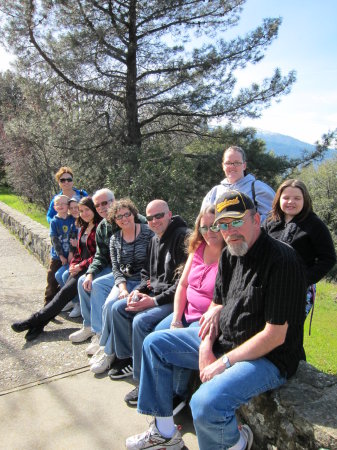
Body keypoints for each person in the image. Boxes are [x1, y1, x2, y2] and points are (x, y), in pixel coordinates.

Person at [126, 190, 307, 450]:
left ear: (256, 219)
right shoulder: (230, 253)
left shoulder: (282, 261)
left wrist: (223, 362)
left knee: (204, 403)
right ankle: (164, 432)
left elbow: (275, 336)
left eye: (236, 221)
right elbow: (216, 305)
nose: (229, 231)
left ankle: (233, 443)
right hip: (226, 340)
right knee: (154, 343)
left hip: (268, 357)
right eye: (222, 224)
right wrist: (205, 347)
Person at [109, 200, 188, 395]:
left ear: (169, 214)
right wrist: (140, 290)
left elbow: (181, 286)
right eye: (150, 217)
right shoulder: (154, 239)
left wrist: (153, 300)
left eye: (159, 216)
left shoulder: (183, 238)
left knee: (141, 321)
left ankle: (143, 378)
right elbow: (147, 273)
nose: (154, 221)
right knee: (118, 308)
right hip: (156, 293)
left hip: (173, 299)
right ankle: (129, 358)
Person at [11, 197, 101, 341]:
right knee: (62, 295)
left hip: (91, 268)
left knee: (63, 294)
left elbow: (99, 254)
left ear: (94, 210)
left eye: (87, 210)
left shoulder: (99, 227)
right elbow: (79, 251)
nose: (84, 213)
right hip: (79, 267)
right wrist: (74, 264)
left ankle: (33, 321)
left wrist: (80, 266)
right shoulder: (83, 226)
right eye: (81, 210)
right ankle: (38, 325)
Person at [90, 199, 154, 374]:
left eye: (127, 214)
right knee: (109, 305)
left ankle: (109, 352)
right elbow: (116, 269)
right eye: (119, 217)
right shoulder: (114, 240)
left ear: (134, 214)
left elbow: (152, 267)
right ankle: (105, 346)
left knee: (117, 308)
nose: (124, 219)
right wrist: (123, 289)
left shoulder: (148, 233)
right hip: (125, 282)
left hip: (143, 283)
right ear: (114, 220)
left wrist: (138, 289)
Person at [263, 179, 336, 317]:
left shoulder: (315, 225)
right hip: (268, 288)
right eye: (286, 198)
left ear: (305, 200)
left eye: (297, 198)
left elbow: (328, 258)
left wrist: (303, 279)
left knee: (289, 333)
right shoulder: (270, 222)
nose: (291, 202)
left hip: (298, 292)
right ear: (279, 199)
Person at [69, 188, 116, 347]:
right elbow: (100, 255)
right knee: (83, 280)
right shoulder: (102, 226)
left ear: (113, 201)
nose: (102, 208)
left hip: (123, 270)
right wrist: (90, 273)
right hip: (109, 265)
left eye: (105, 203)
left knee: (97, 285)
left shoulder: (126, 219)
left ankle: (99, 332)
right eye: (98, 205)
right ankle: (88, 325)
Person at [201, 145, 275, 222]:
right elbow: (203, 221)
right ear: (223, 166)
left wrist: (248, 224)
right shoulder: (214, 192)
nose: (232, 166)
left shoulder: (259, 189)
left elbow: (273, 217)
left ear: (244, 165)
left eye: (237, 163)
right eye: (228, 163)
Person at [44, 194, 76, 306]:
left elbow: (73, 236)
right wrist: (61, 256)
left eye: (64, 203)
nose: (61, 205)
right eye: (58, 204)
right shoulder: (54, 221)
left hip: (71, 255)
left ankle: (68, 301)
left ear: (68, 206)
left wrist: (71, 253)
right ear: (54, 207)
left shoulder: (72, 219)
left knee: (67, 277)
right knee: (52, 278)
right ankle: (48, 303)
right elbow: (54, 239)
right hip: (58, 256)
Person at [55, 196, 81, 317]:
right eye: (72, 208)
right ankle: (72, 300)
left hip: (82, 259)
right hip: (74, 258)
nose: (75, 210)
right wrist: (66, 254)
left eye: (77, 207)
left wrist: (73, 251)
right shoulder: (73, 221)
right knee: (58, 275)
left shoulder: (84, 220)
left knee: (66, 275)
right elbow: (71, 240)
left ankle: (78, 303)